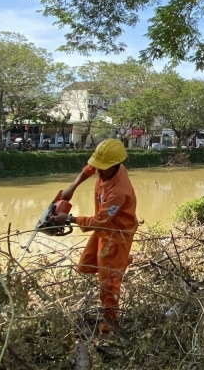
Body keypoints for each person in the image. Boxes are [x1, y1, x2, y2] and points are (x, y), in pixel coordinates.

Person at [48, 139, 141, 335]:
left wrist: (69, 219)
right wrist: (72, 188)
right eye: (97, 166)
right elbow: (89, 169)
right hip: (105, 228)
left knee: (108, 283)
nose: (98, 172)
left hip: (116, 235)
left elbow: (100, 221)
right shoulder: (105, 164)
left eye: (102, 169)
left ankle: (109, 326)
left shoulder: (119, 192)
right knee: (86, 264)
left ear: (115, 165)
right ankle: (121, 262)